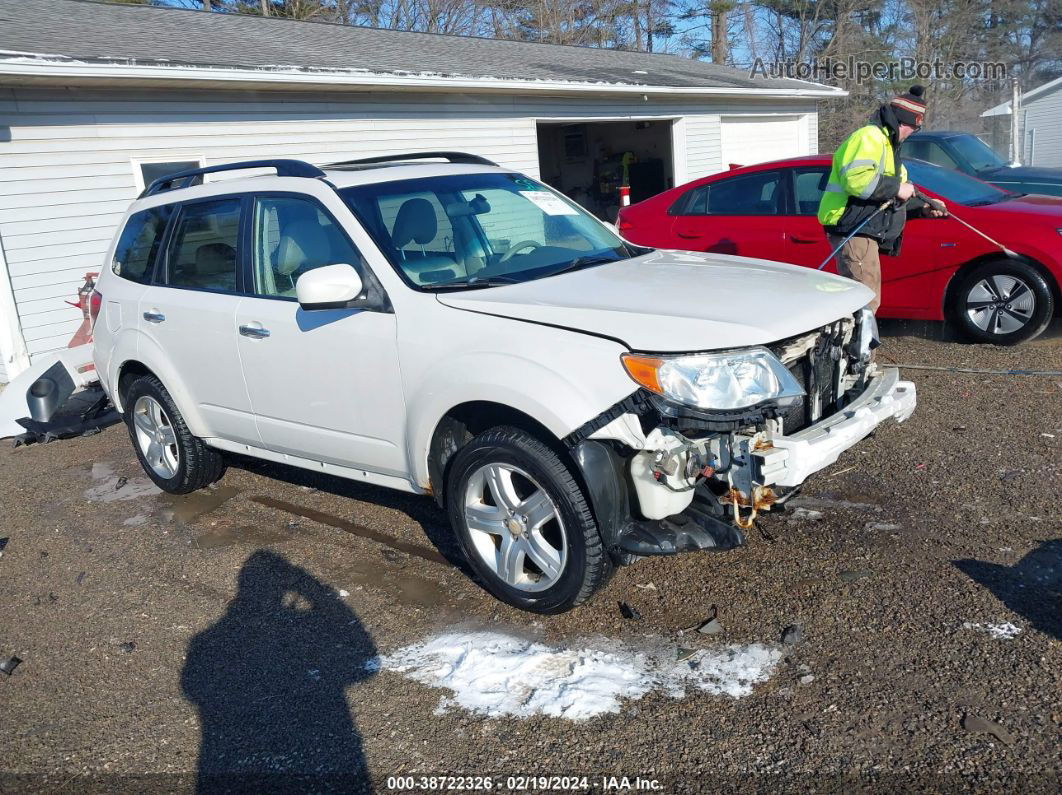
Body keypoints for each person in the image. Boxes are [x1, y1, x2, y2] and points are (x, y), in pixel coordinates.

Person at [817, 85, 947, 312]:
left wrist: (924, 207)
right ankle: (856, 348)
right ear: (901, 121)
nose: (911, 133)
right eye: (912, 127)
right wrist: (897, 188)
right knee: (864, 303)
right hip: (853, 228)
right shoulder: (869, 137)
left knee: (867, 300)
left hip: (865, 231)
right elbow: (857, 181)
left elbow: (897, 196)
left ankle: (857, 346)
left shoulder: (889, 146)